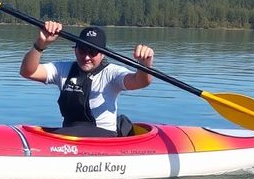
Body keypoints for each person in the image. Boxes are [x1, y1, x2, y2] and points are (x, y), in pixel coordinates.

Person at [19, 21, 155, 137]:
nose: (86, 57)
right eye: (82, 50)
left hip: (104, 139)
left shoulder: (111, 73)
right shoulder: (63, 69)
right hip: (70, 137)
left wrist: (145, 64)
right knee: (71, 131)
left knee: (74, 132)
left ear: (102, 54)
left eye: (93, 52)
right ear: (75, 50)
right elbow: (28, 72)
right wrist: (40, 44)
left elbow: (141, 81)